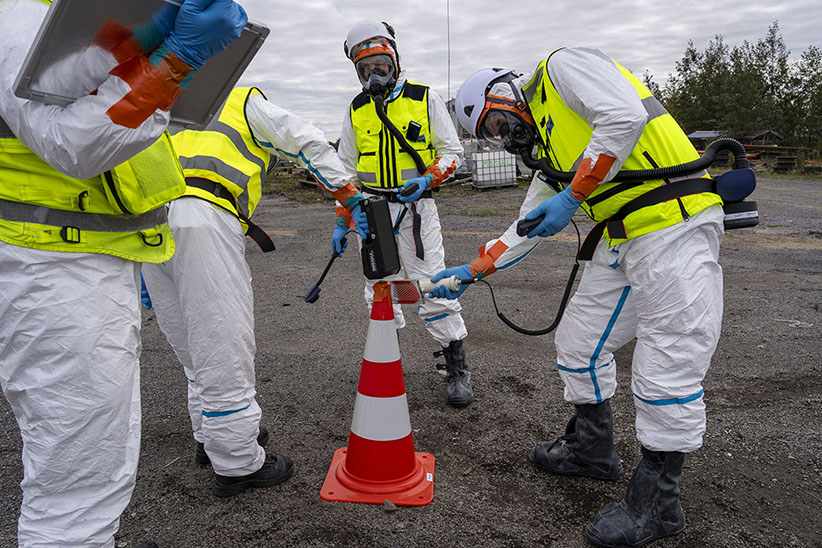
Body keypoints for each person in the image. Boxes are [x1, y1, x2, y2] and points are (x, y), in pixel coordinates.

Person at [436, 47, 725, 547]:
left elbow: (623, 115)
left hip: (675, 224)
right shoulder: (549, 154)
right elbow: (525, 226)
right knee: (578, 344)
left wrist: (572, 196)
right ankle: (593, 452)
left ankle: (659, 504)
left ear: (503, 92)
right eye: (493, 137)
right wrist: (475, 268)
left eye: (498, 124)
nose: (505, 139)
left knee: (667, 363)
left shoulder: (561, 69)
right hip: (622, 239)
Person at [0, 0, 247, 546]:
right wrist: (174, 62)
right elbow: (79, 142)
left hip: (70, 256)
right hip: (52, 263)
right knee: (76, 480)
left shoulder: (50, 19)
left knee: (89, 454)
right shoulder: (15, 17)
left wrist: (140, 44)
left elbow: (71, 101)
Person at [140, 86, 369, 497]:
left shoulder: (165, 102)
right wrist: (348, 195)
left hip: (150, 227)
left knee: (193, 350)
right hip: (204, 217)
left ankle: (210, 441)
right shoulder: (239, 98)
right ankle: (238, 463)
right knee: (222, 345)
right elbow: (303, 139)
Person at [333, 19, 473, 407]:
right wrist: (344, 218)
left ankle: (456, 366)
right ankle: (386, 361)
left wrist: (428, 180)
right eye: (365, 69)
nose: (374, 74)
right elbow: (343, 169)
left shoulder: (423, 97)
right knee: (380, 287)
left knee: (432, 284)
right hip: (373, 212)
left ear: (394, 60)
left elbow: (452, 153)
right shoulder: (357, 109)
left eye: (380, 64)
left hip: (416, 212)